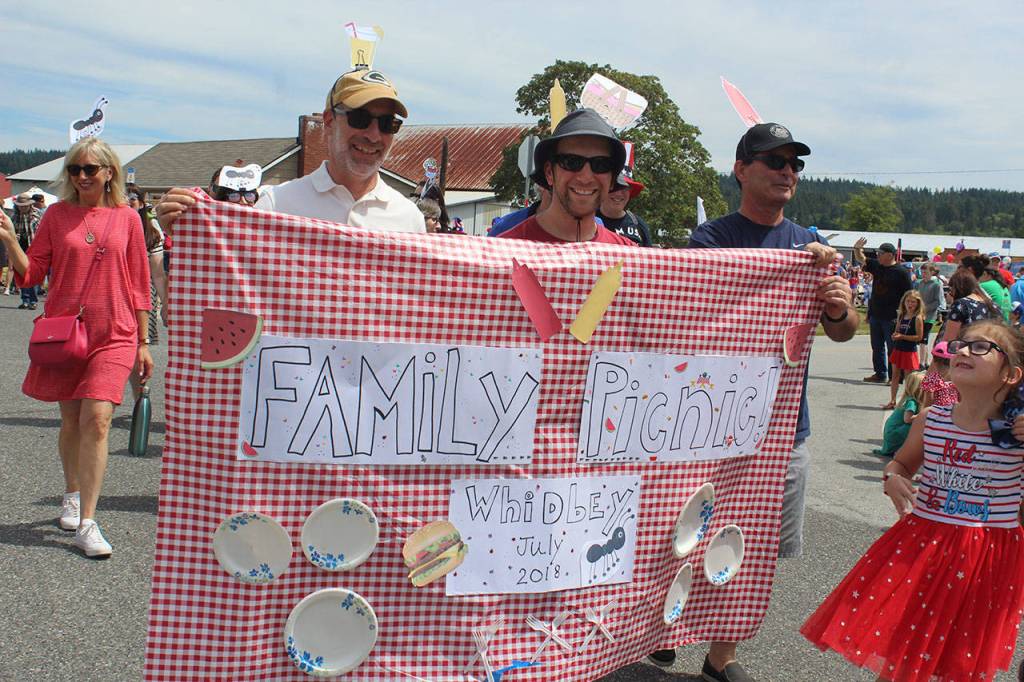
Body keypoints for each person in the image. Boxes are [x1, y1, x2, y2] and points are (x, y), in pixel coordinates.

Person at [684, 122, 858, 681]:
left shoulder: (811, 246)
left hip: (786, 428)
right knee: (683, 534)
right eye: (773, 160)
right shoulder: (710, 240)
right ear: (741, 170)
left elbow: (842, 332)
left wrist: (835, 302)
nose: (787, 171)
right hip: (709, 423)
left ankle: (721, 656)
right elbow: (688, 322)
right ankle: (665, 627)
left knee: (753, 547)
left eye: (794, 164)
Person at [802, 320, 1024, 681]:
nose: (964, 350)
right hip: (925, 545)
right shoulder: (931, 419)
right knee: (906, 648)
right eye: (961, 344)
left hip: (985, 554)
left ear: (1011, 374)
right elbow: (902, 463)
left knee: (963, 656)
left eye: (982, 347)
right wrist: (892, 478)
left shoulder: (1016, 433)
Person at [0, 137, 153, 558]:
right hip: (66, 332)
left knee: (99, 419)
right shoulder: (55, 215)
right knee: (70, 420)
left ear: (108, 173)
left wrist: (143, 341)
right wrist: (12, 241)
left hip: (116, 331)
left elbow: (141, 284)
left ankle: (88, 521)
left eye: (89, 169)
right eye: (74, 170)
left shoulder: (127, 218)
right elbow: (32, 276)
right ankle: (71, 493)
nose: (82, 177)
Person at [155, 68, 424, 233]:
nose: (374, 135)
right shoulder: (276, 205)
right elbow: (231, 283)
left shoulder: (409, 218)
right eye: (360, 119)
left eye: (388, 124)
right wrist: (190, 234)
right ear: (329, 121)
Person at [496, 108, 633, 245]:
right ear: (549, 173)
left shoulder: (629, 257)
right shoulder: (505, 250)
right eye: (571, 162)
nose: (586, 177)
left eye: (601, 164)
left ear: (612, 179)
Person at [853, 238, 913, 383]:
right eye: (878, 253)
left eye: (881, 253)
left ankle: (895, 377)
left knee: (893, 348)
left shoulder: (901, 272)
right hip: (876, 314)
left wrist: (905, 315)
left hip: (893, 316)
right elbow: (862, 258)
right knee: (877, 347)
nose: (878, 255)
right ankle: (880, 374)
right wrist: (856, 248)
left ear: (890, 255)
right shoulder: (877, 266)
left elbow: (910, 295)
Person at [884, 291, 924, 409]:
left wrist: (902, 337)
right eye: (908, 301)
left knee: (909, 379)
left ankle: (908, 402)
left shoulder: (917, 318)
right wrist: (895, 335)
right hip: (898, 349)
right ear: (904, 302)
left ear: (918, 303)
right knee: (895, 376)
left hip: (909, 351)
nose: (910, 304)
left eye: (913, 302)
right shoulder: (901, 315)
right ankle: (892, 401)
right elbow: (897, 330)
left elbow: (919, 337)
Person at [872, 369, 925, 456]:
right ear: (918, 389)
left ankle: (899, 449)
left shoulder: (907, 398)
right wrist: (924, 414)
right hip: (893, 434)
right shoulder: (912, 402)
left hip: (891, 433)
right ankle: (901, 450)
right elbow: (907, 419)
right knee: (914, 425)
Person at [940, 269, 1002, 342]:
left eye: (951, 289)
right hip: (988, 349)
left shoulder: (961, 305)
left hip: (966, 349)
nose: (951, 293)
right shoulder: (994, 306)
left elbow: (949, 339)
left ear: (958, 288)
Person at [596, 171, 652, 246]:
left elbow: (647, 256)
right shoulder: (588, 221)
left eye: (625, 188)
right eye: (614, 187)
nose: (618, 193)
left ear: (630, 191)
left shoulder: (639, 225)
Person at [10, 192, 42, 310]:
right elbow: (10, 232)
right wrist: (14, 236)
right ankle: (25, 300)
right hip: (20, 247)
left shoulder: (37, 215)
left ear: (29, 204)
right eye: (20, 205)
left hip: (35, 248)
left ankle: (33, 300)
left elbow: (43, 232)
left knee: (32, 274)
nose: (22, 207)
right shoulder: (14, 216)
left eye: (24, 205)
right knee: (22, 274)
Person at [960, 254, 1011, 320]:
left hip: (993, 324)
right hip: (1004, 324)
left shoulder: (984, 286)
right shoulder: (1001, 285)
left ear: (985, 274)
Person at [914, 263, 943, 367]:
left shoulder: (936, 284)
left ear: (932, 272)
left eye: (926, 272)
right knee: (921, 339)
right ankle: (925, 362)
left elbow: (937, 301)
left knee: (923, 339)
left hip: (929, 316)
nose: (924, 274)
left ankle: (921, 362)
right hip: (919, 315)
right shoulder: (920, 283)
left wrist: (925, 309)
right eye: (922, 272)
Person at [921, 341, 959, 407]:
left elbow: (928, 403)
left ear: (935, 361)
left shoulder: (932, 379)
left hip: (937, 413)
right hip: (954, 412)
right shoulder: (957, 377)